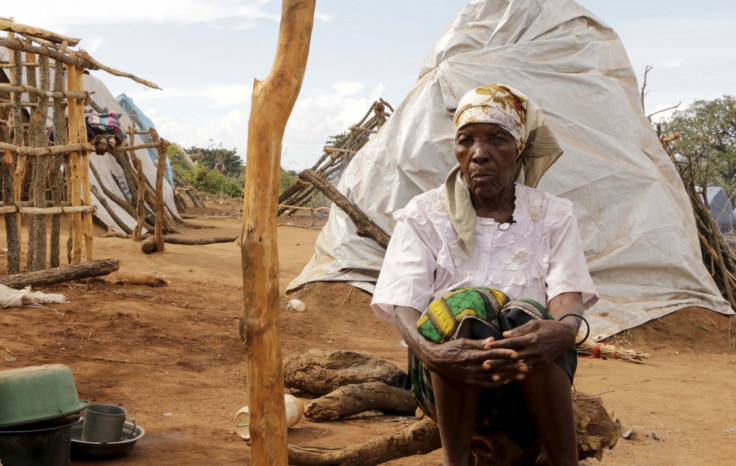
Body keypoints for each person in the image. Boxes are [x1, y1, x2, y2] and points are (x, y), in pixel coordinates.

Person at [371, 84, 598, 465]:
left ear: (520, 147)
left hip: (531, 371)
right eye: (466, 141)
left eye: (497, 139)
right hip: (447, 372)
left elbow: (566, 294)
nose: (479, 155)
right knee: (464, 309)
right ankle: (455, 461)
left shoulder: (551, 214)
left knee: (525, 314)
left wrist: (566, 328)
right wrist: (435, 353)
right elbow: (404, 305)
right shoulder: (424, 214)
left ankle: (563, 460)